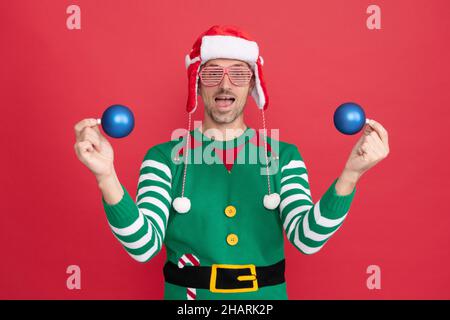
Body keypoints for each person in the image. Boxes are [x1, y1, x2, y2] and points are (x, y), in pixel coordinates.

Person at [73, 25, 390, 300]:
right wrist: (106, 176)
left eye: (238, 73)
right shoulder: (163, 158)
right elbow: (143, 246)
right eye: (212, 74)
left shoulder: (284, 156)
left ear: (252, 85)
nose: (225, 85)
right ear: (197, 84)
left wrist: (351, 175)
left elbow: (307, 239)